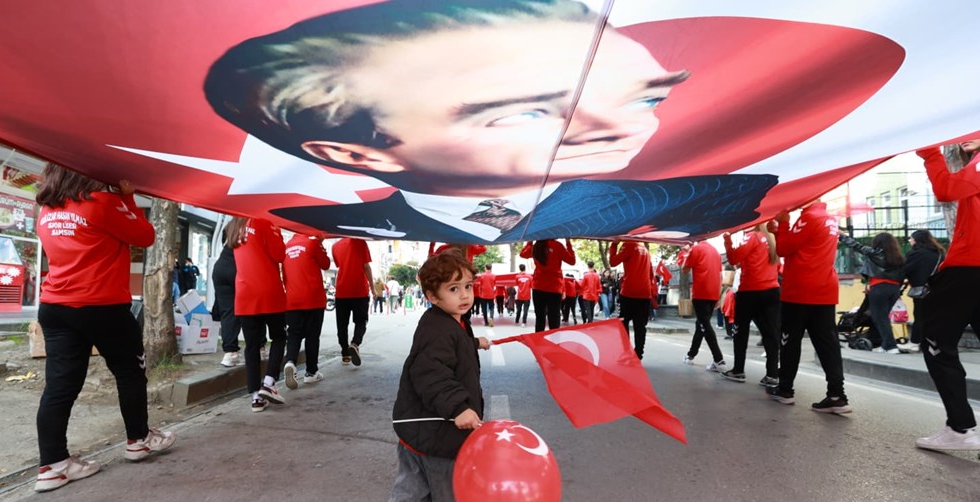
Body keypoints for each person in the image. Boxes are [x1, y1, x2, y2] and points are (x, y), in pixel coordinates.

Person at [204, 0, 778, 243]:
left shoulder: (713, 198)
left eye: (644, 100)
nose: (615, 128)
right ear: (357, 155)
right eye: (524, 112)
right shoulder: (324, 220)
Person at [34, 164, 174, 492]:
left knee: (59, 388)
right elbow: (145, 236)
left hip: (54, 307)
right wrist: (127, 197)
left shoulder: (46, 210)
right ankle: (138, 440)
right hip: (102, 306)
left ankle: (53, 465)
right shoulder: (102, 202)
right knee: (130, 373)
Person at [376, 251, 490, 502]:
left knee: (416, 476)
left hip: (419, 422)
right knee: (441, 479)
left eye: (468, 286)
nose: (464, 295)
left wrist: (473, 343)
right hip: (437, 424)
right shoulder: (439, 328)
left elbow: (451, 349)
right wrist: (458, 408)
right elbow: (431, 372)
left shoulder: (449, 322)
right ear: (432, 296)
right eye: (453, 289)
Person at [913, 141, 980, 450]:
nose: (962, 137)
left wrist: (929, 152)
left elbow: (946, 189)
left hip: (969, 268)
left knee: (936, 340)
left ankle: (960, 427)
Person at [765, 201, 850, 413]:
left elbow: (784, 249)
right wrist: (780, 231)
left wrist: (783, 224)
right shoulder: (829, 219)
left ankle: (785, 389)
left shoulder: (809, 217)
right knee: (828, 344)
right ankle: (837, 394)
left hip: (801, 288)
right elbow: (803, 246)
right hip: (825, 288)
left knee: (790, 341)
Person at [228, 216, 288, 412]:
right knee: (279, 336)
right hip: (268, 290)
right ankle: (269, 383)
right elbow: (279, 254)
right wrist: (277, 232)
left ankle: (255, 397)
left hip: (245, 293)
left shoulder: (233, 227)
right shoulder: (263, 222)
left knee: (252, 345)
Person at [720, 224, 781, 386]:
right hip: (772, 290)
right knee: (770, 334)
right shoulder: (772, 238)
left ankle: (738, 370)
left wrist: (727, 240)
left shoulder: (752, 236)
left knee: (740, 332)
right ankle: (772, 374)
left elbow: (734, 258)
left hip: (751, 290)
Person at [838, 231, 906, 353]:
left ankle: (891, 346)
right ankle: (884, 344)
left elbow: (857, 246)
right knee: (883, 317)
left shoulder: (875, 253)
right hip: (894, 289)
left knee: (879, 317)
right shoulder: (899, 258)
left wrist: (842, 236)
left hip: (879, 287)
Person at [282, 234, 331, 389]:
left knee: (294, 334)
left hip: (292, 299)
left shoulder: (286, 246)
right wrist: (320, 244)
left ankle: (290, 362)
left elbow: (284, 276)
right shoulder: (313, 242)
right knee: (312, 336)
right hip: (312, 298)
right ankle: (311, 372)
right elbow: (326, 264)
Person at [681, 240, 726, 372]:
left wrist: (687, 254)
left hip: (701, 292)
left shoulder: (696, 249)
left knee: (704, 325)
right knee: (700, 325)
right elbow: (720, 275)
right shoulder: (715, 251)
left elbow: (684, 269)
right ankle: (691, 354)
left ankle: (719, 359)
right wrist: (718, 295)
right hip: (713, 293)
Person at [899, 229, 944, 353]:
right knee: (933, 317)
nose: (910, 241)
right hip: (937, 289)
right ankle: (934, 344)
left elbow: (905, 270)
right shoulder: (939, 253)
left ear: (917, 240)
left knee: (919, 316)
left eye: (911, 238)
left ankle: (915, 343)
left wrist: (901, 283)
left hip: (921, 290)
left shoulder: (916, 254)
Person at [332, 237, 373, 366]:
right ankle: (355, 343)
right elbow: (366, 266)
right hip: (359, 290)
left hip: (342, 290)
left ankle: (345, 354)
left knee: (342, 324)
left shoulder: (335, 246)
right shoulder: (360, 241)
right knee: (361, 321)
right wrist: (373, 288)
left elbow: (340, 265)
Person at [610, 241, 654, 359]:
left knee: (623, 322)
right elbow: (651, 274)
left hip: (630, 291)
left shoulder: (628, 246)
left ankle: (626, 351)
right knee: (640, 326)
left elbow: (613, 262)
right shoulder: (645, 249)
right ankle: (638, 353)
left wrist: (614, 245)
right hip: (645, 293)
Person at [521, 239, 575, 332]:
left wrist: (530, 241)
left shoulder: (537, 246)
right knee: (554, 319)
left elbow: (523, 254)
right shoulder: (558, 246)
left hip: (538, 287)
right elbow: (572, 261)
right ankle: (554, 340)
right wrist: (568, 243)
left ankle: (539, 340)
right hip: (554, 288)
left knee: (540, 319)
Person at [212, 242, 242, 367]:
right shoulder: (249, 233)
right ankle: (260, 348)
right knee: (252, 308)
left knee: (228, 312)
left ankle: (230, 353)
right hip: (237, 267)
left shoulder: (230, 234)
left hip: (220, 268)